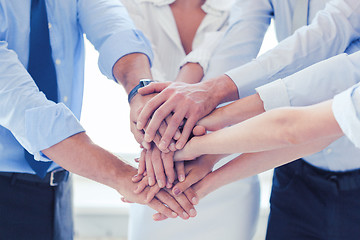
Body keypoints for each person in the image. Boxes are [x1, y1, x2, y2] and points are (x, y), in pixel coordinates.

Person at [134, 0, 360, 238]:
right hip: (293, 168)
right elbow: (239, 40)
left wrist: (193, 133)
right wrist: (189, 128)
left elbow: (301, 122)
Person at [0, 1, 196, 239]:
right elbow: (24, 106)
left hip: (58, 187)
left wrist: (142, 95)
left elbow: (115, 29)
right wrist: (123, 176)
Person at [120, 0, 260, 239]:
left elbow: (230, 67)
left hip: (225, 162)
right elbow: (140, 76)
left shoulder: (240, 7)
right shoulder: (133, 5)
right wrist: (160, 136)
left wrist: (162, 129)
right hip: (159, 166)